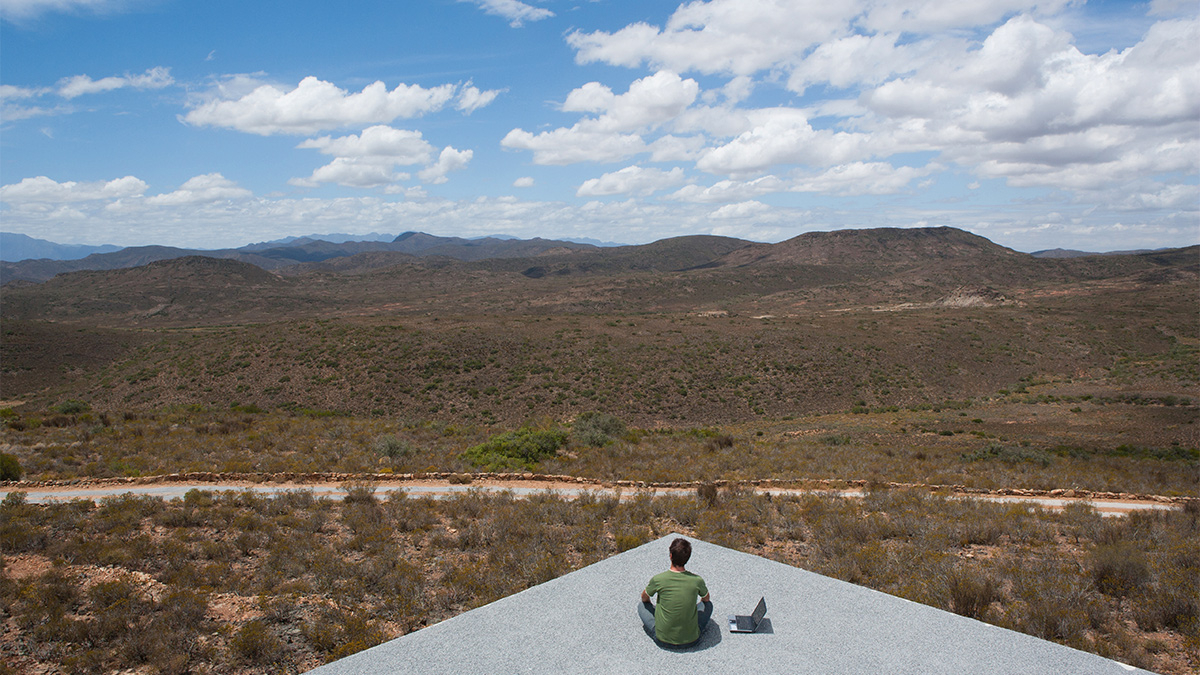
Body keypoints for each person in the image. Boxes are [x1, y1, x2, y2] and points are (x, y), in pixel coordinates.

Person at [638, 537, 713, 646]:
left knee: (642, 606)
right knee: (708, 605)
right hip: (692, 640)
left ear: (671, 556)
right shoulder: (697, 580)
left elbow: (644, 597)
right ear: (688, 558)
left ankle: (661, 629)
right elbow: (706, 599)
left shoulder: (658, 579)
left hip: (662, 639)